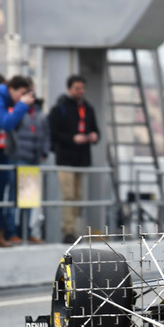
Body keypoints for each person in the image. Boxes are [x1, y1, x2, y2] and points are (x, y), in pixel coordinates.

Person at [0, 75, 35, 247]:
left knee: (1, 195)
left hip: (7, 153)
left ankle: (1, 234)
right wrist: (22, 105)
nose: (24, 97)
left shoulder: (12, 104)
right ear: (11, 89)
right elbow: (6, 123)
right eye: (22, 93)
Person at [48, 75, 100, 244]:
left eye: (82, 88)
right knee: (68, 196)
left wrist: (93, 136)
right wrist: (72, 139)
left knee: (79, 196)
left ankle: (78, 230)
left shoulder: (88, 108)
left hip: (82, 159)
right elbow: (53, 132)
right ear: (69, 89)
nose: (81, 91)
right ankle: (68, 231)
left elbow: (95, 130)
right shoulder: (60, 108)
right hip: (66, 159)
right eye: (77, 88)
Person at [6, 82, 50, 243]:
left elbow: (46, 134)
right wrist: (15, 150)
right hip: (19, 158)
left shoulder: (40, 115)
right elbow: (10, 132)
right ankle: (11, 232)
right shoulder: (18, 112)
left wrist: (44, 153)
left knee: (29, 198)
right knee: (14, 197)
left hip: (33, 160)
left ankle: (26, 231)